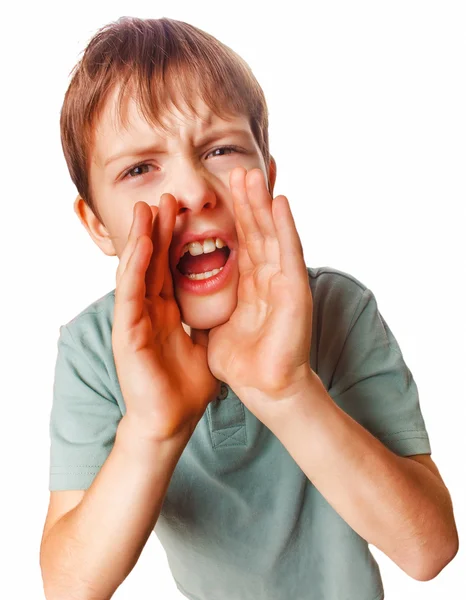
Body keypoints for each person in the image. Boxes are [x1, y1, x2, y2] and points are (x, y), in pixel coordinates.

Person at [39, 16, 458, 600]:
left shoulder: (338, 309)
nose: (193, 191)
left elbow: (428, 549)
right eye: (140, 168)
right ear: (96, 224)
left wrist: (287, 391)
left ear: (267, 175)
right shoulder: (92, 349)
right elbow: (69, 585)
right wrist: (153, 431)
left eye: (222, 149)